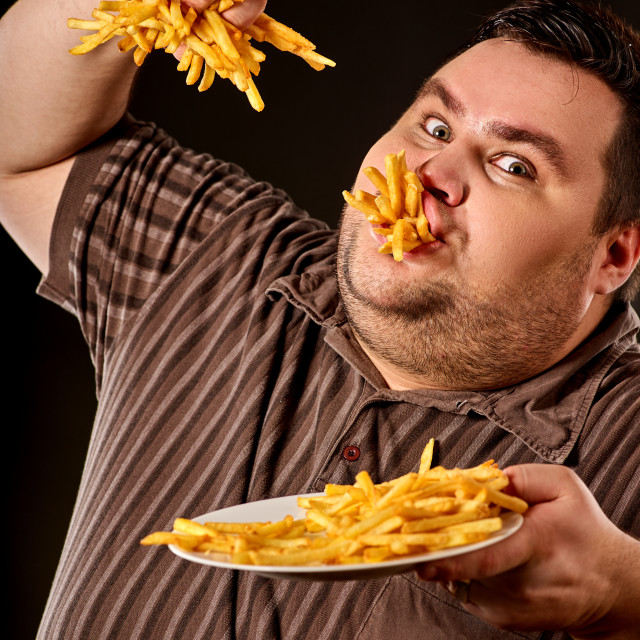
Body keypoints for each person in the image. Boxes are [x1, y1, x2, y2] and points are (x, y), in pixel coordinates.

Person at [1, 0, 639, 638]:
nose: (430, 175)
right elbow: (16, 149)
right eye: (437, 128)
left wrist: (621, 591)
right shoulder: (219, 256)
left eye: (513, 165)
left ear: (613, 255)